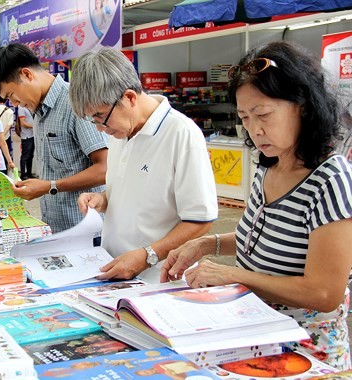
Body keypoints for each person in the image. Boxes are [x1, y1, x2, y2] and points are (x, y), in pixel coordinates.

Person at [162, 41, 352, 370]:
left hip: (304, 352)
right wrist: (209, 243)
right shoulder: (269, 163)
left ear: (303, 106)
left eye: (263, 114)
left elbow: (323, 292)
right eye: (245, 117)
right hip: (254, 332)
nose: (254, 129)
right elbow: (271, 236)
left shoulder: (330, 180)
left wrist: (233, 275)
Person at [69, 47, 217, 281]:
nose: (99, 128)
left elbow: (200, 220)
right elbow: (134, 192)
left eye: (100, 117)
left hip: (159, 281)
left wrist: (148, 256)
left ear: (129, 98)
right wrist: (103, 200)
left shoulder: (181, 133)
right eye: (92, 119)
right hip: (114, 271)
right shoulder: (120, 131)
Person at [0, 43, 108, 233]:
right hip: (55, 229)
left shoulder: (74, 103)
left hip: (86, 232)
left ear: (27, 74)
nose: (15, 103)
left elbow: (104, 168)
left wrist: (49, 186)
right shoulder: (39, 112)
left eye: (12, 95)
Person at [0, 94, 15, 168]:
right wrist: (2, 136)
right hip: (6, 138)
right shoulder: (10, 111)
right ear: (6, 100)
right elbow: (9, 125)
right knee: (6, 156)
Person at [17, 105, 35, 180]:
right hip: (26, 135)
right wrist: (34, 126)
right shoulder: (21, 108)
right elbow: (23, 123)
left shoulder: (29, 106)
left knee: (30, 155)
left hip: (32, 135)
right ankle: (23, 174)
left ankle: (29, 173)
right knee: (25, 156)